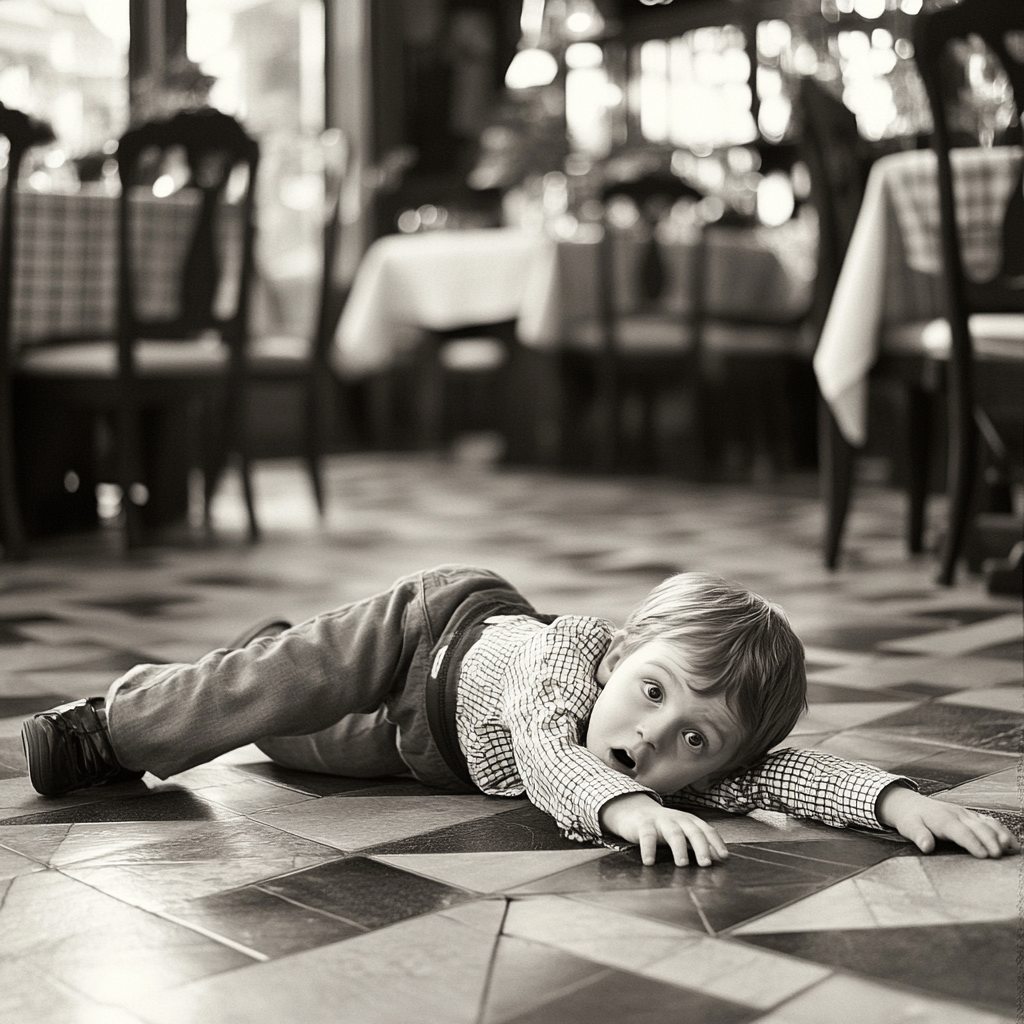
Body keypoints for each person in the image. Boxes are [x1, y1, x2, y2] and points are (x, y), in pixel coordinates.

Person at [21, 565, 1018, 866]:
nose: (655, 737)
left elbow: (791, 771)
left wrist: (892, 803)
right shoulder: (567, 658)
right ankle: (109, 728)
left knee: (271, 725)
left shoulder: (696, 769)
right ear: (624, 653)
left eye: (696, 742)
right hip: (423, 632)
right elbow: (546, 751)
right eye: (654, 691)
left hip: (409, 745)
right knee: (286, 676)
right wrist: (624, 808)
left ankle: (217, 670)